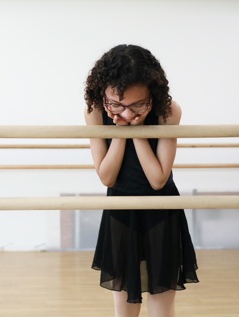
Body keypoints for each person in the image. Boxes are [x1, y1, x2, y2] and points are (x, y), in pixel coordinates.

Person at [83, 44, 199, 317]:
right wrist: (121, 129)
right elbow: (107, 176)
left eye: (137, 104)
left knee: (162, 305)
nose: (123, 111)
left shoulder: (168, 110)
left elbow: (158, 178)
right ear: (103, 93)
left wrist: (136, 131)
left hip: (162, 212)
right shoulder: (96, 110)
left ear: (153, 95)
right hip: (121, 211)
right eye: (116, 103)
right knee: (125, 306)